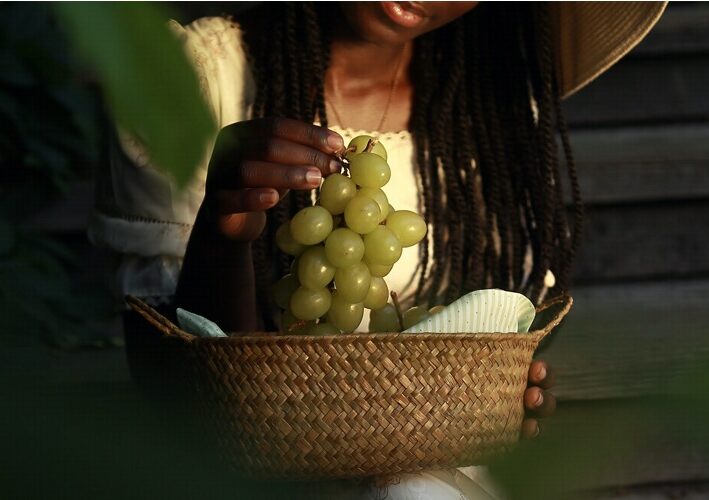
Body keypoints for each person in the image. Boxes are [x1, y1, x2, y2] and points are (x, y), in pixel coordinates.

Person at [89, 2, 667, 498]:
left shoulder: (487, 108)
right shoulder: (189, 80)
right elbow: (167, 378)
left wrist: (500, 396)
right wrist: (223, 232)